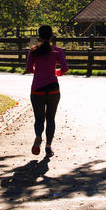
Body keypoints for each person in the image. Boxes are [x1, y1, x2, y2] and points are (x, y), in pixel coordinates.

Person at [26, 25, 68, 157]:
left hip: (37, 89)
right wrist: (57, 72)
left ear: (39, 36)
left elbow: (28, 69)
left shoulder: (33, 50)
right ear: (51, 36)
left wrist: (37, 71)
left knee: (39, 119)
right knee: (51, 118)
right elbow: (65, 68)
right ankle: (48, 147)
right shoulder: (57, 51)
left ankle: (38, 136)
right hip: (53, 90)